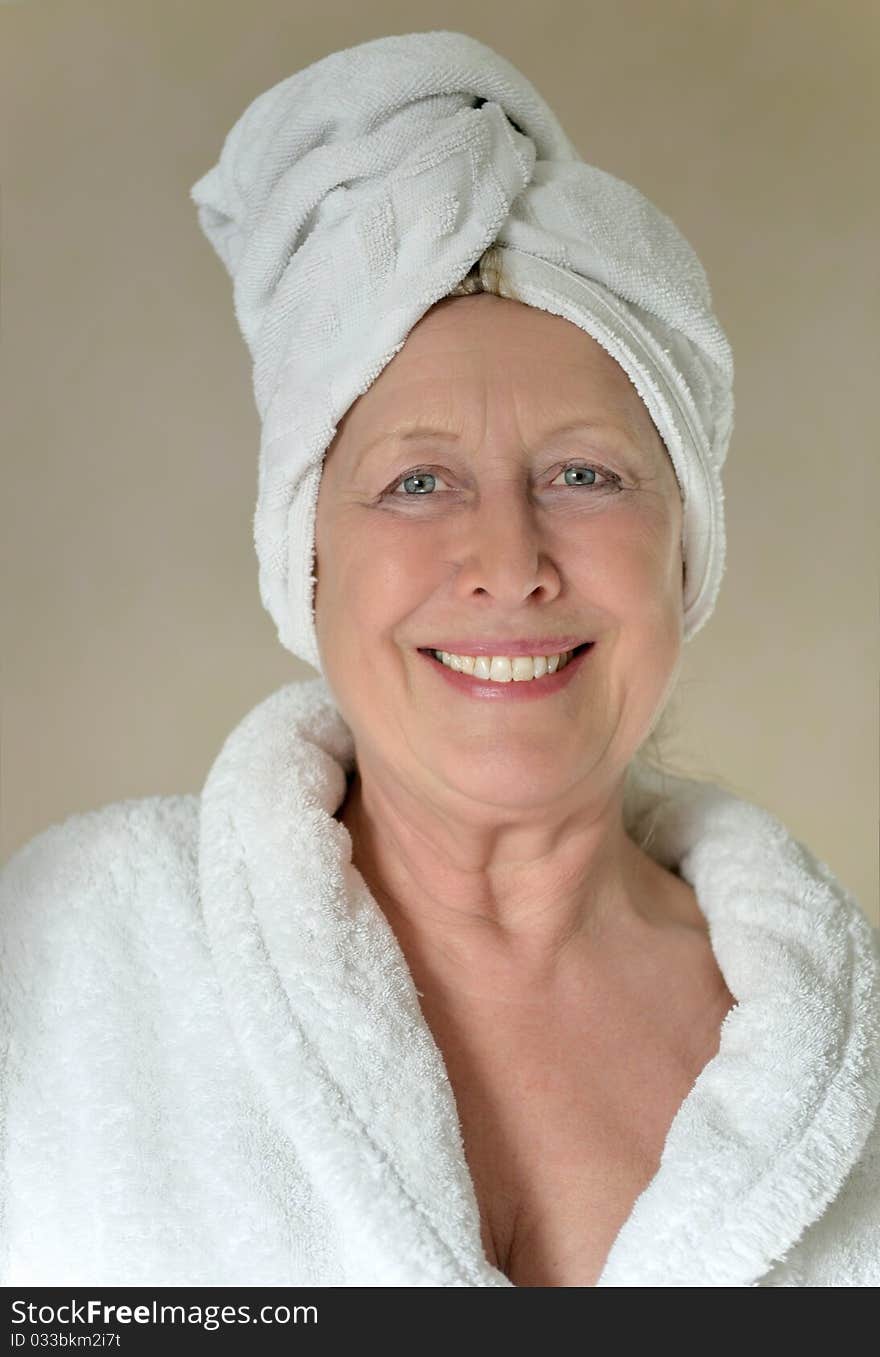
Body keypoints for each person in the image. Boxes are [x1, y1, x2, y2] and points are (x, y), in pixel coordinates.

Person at [1, 31, 878, 1289]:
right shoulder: (65, 963)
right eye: (418, 482)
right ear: (303, 562)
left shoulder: (846, 1084)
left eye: (584, 474)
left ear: (683, 550)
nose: (507, 560)